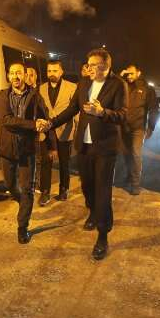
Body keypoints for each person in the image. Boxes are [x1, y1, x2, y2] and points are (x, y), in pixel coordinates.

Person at [44, 48, 127, 260]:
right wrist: (51, 123)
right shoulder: (84, 83)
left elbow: (123, 115)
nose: (90, 69)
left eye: (95, 66)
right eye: (89, 65)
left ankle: (102, 235)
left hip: (105, 146)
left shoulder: (118, 84)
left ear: (106, 66)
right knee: (87, 186)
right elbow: (72, 109)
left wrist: (102, 112)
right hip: (84, 144)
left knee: (103, 191)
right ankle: (92, 211)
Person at [0, 62, 57, 244]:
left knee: (28, 189)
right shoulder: (2, 95)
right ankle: (22, 202)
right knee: (10, 185)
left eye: (19, 73)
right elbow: (6, 120)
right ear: (8, 76)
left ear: (24, 75)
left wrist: (50, 141)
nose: (15, 76)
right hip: (7, 149)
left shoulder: (35, 96)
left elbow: (45, 119)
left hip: (27, 150)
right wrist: (32, 125)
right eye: (12, 73)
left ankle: (22, 227)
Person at [37, 60, 77, 205]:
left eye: (55, 71)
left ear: (61, 72)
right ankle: (45, 192)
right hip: (46, 132)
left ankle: (64, 189)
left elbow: (74, 109)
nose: (51, 74)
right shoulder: (41, 88)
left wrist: (77, 127)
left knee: (64, 162)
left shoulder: (72, 87)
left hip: (64, 130)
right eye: (49, 71)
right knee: (45, 162)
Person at [120, 64, 157, 195]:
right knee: (125, 153)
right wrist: (120, 77)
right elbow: (109, 87)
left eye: (132, 73)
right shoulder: (122, 86)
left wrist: (151, 126)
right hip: (123, 126)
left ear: (138, 73)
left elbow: (153, 109)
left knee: (136, 153)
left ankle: (135, 183)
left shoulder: (147, 89)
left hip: (138, 127)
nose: (129, 76)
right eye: (127, 74)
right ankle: (129, 174)